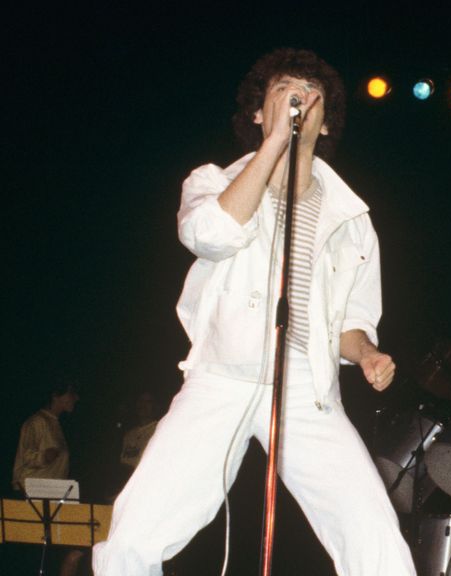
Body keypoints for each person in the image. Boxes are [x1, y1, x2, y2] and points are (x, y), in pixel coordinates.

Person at [93, 48, 415, 575]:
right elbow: (209, 235)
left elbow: (350, 323)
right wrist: (273, 148)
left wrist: (369, 353)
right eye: (284, 89)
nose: (299, 99)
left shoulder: (353, 218)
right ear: (259, 111)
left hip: (308, 391)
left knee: (375, 541)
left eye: (312, 95)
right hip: (223, 376)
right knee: (135, 534)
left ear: (326, 119)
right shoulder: (213, 182)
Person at [12, 381, 85, 576]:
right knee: (35, 558)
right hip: (32, 497)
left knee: (53, 556)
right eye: (72, 393)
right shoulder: (37, 422)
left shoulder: (55, 423)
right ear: (56, 395)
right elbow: (24, 455)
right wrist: (43, 457)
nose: (76, 398)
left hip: (53, 498)